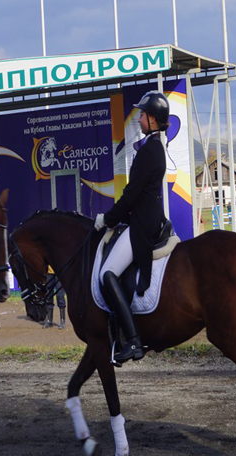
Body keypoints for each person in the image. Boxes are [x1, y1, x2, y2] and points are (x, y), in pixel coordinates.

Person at [93, 90, 170, 363]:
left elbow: (131, 195)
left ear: (152, 118)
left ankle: (133, 342)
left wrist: (108, 219)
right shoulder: (155, 146)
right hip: (146, 218)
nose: (138, 119)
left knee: (108, 274)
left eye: (142, 115)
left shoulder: (150, 150)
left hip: (142, 225)